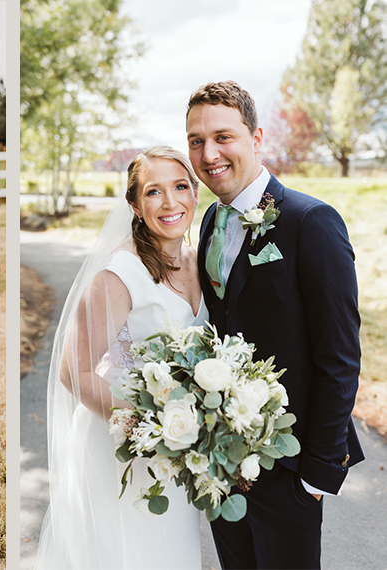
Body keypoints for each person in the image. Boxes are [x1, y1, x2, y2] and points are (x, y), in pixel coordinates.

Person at [188, 80, 362, 569]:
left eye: (224, 137)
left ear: (257, 137)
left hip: (290, 466)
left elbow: (340, 356)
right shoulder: (208, 223)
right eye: (196, 141)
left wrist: (317, 476)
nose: (209, 154)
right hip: (222, 461)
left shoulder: (312, 222)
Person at [33, 145, 205, 569]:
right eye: (153, 192)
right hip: (127, 445)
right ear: (133, 203)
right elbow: (74, 371)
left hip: (178, 447)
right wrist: (152, 424)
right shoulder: (119, 273)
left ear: (195, 194)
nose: (170, 202)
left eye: (180, 186)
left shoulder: (197, 261)